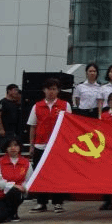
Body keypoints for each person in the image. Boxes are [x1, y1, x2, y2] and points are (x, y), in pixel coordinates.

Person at [26, 78, 68, 212]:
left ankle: (58, 202)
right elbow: (32, 126)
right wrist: (31, 145)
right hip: (40, 145)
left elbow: (69, 125)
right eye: (49, 89)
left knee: (58, 174)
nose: (51, 92)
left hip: (58, 145)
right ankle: (41, 202)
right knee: (40, 174)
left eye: (54, 89)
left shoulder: (64, 105)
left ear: (58, 91)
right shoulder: (37, 106)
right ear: (44, 90)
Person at [0, 138, 30, 223]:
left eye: (15, 145)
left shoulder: (26, 163)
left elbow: (29, 179)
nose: (13, 148)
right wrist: (14, 185)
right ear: (6, 148)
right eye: (10, 146)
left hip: (17, 193)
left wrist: (23, 187)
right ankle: (6, 211)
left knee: (15, 191)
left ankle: (13, 212)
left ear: (20, 147)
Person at [0, 83, 24, 149]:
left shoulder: (15, 103)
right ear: (9, 91)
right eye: (15, 90)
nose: (16, 92)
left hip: (12, 130)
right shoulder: (3, 102)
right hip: (5, 130)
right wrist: (1, 129)